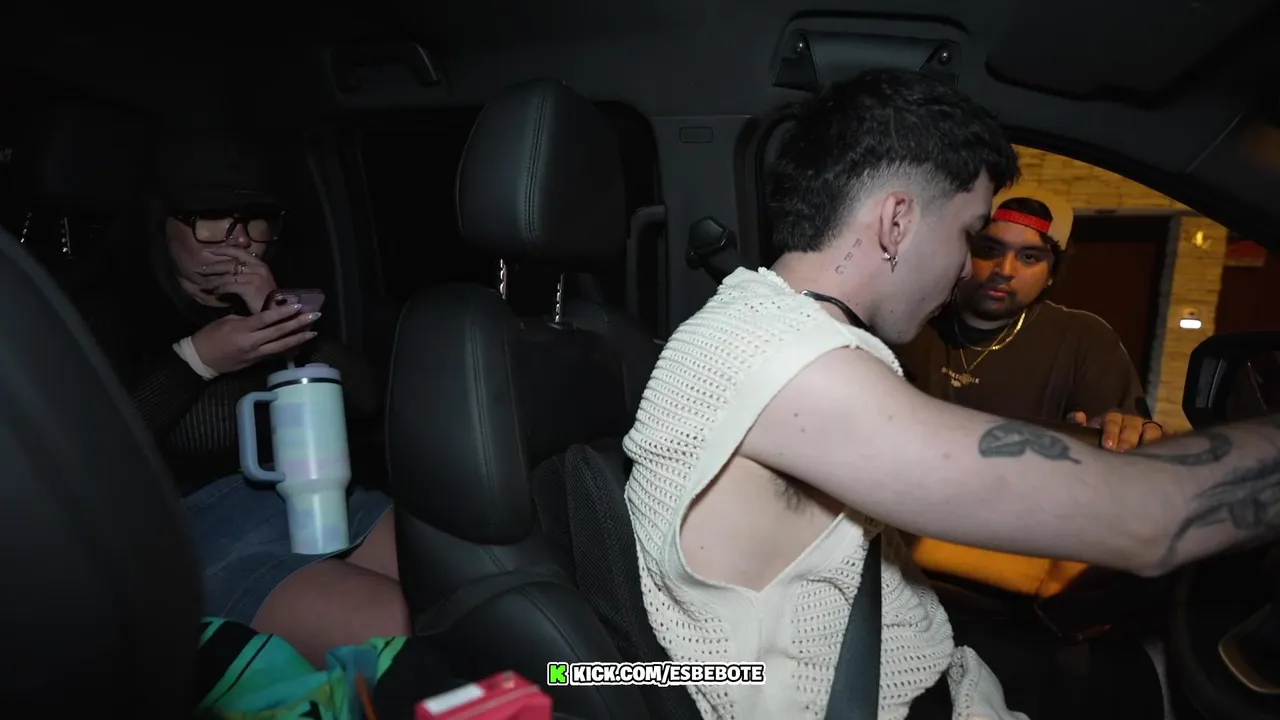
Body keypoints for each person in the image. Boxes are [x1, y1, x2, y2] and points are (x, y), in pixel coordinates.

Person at [624, 68, 1280, 720]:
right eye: (970, 235)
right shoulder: (791, 362)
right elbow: (1155, 517)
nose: (969, 267)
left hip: (933, 677)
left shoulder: (765, 324)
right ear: (897, 221)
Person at [73, 129, 409, 667]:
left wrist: (282, 316)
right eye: (210, 221)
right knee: (394, 626)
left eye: (255, 221)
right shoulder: (110, 308)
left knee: (461, 588)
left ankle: (559, 683)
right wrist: (195, 360)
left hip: (320, 499)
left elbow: (365, 398)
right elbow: (93, 452)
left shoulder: (268, 295)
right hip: (202, 534)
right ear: (163, 224)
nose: (238, 242)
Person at [894, 187, 1163, 452]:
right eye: (989, 250)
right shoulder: (907, 316)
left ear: (1051, 274)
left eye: (1029, 257)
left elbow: (1123, 435)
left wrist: (1118, 433)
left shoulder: (1086, 341)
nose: (1004, 270)